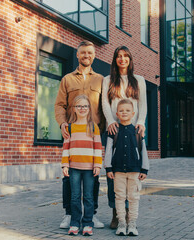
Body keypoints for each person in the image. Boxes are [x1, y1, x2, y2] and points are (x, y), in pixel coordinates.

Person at [55, 40, 104, 229]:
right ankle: (69, 214)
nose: (86, 56)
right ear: (77, 55)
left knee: (94, 177)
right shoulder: (67, 79)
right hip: (72, 134)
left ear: (94, 55)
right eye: (83, 52)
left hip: (93, 135)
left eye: (90, 53)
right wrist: (62, 123)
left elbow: (104, 107)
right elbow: (59, 104)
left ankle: (92, 216)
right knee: (68, 177)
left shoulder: (100, 79)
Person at [101, 46, 147, 229]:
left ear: (130, 59)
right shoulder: (108, 80)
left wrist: (141, 121)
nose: (122, 59)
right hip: (114, 130)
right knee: (114, 172)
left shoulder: (139, 80)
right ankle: (116, 212)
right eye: (119, 56)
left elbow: (143, 103)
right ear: (115, 59)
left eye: (125, 56)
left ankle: (129, 214)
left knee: (132, 173)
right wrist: (110, 120)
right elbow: (105, 102)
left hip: (134, 130)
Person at [104, 99, 149, 236]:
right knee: (119, 197)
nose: (124, 113)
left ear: (133, 113)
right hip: (118, 172)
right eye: (121, 110)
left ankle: (132, 223)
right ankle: (121, 223)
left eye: (127, 110)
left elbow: (143, 151)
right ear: (117, 113)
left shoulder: (137, 131)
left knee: (134, 197)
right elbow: (109, 151)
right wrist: (108, 168)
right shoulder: (113, 131)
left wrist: (144, 169)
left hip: (134, 170)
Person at [61, 95, 102, 236]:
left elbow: (98, 147)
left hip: (89, 168)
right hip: (74, 168)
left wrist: (98, 164)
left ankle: (87, 223)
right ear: (74, 109)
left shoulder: (93, 127)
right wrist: (65, 165)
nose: (82, 108)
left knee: (89, 197)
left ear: (89, 109)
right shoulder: (70, 128)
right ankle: (74, 223)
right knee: (75, 196)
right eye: (79, 106)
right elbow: (65, 148)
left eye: (85, 106)